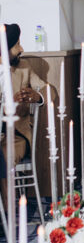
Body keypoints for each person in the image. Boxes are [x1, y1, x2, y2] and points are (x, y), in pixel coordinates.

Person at [0, 24, 46, 203]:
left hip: (16, 135)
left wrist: (38, 96)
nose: (21, 49)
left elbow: (48, 90)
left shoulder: (24, 67)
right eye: (17, 44)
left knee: (3, 156)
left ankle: (6, 214)